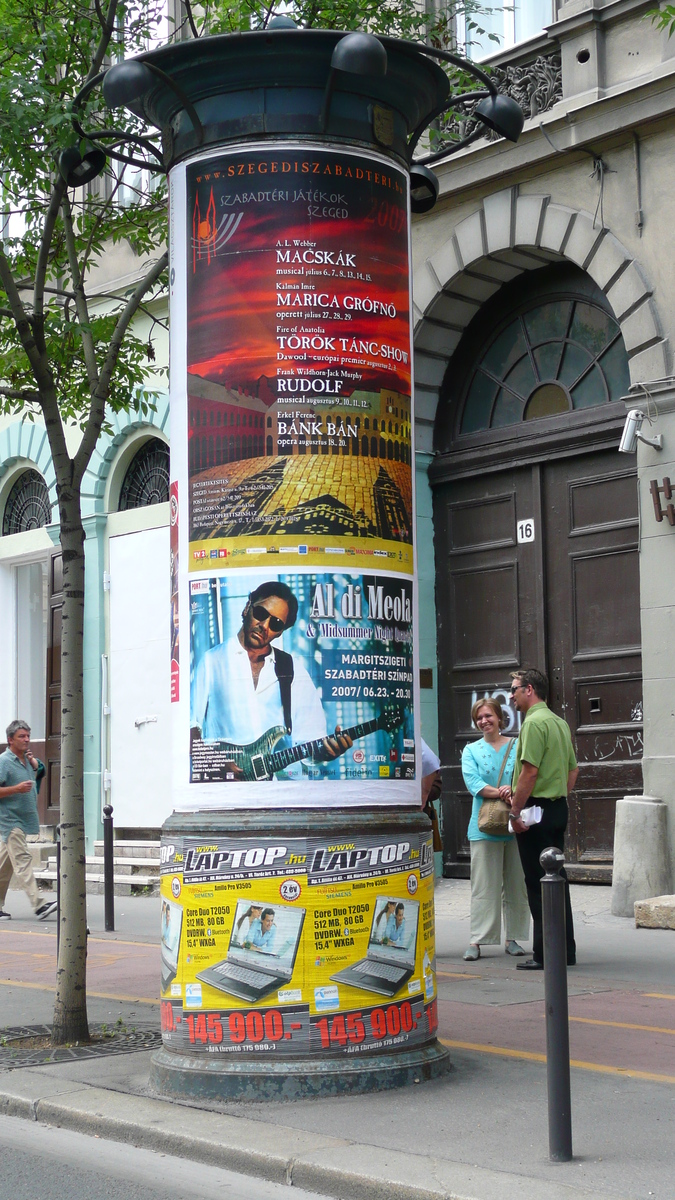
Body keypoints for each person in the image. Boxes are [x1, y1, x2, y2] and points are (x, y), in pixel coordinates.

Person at [191, 581, 352, 776]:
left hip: (282, 792)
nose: (264, 626)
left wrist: (325, 752)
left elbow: (308, 744)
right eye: (261, 613)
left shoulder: (293, 670)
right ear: (247, 607)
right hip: (229, 789)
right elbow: (191, 726)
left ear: (281, 632)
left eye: (275, 624)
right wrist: (217, 762)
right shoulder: (211, 661)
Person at [508, 668, 578, 971]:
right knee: (556, 881)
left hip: (534, 811)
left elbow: (529, 772)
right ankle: (566, 951)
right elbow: (573, 770)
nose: (510, 695)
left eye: (514, 689)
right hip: (555, 807)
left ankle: (545, 953)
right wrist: (557, 797)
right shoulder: (559, 722)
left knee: (538, 883)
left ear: (529, 690)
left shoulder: (534, 723)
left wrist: (514, 812)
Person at [460, 698, 530, 961]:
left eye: (488, 716)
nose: (484, 721)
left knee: (516, 882)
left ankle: (513, 937)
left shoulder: (516, 745)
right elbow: (473, 783)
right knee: (483, 886)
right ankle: (477, 940)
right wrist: (502, 792)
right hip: (484, 826)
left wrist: (514, 790)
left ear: (500, 717)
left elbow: (524, 775)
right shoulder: (471, 750)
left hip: (515, 822)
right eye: (479, 718)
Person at [0, 720, 57, 921]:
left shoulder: (26, 760)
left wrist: (34, 765)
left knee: (4, 866)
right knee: (23, 861)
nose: (26, 740)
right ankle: (39, 905)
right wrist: (16, 789)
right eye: (21, 737)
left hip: (22, 820)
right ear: (10, 740)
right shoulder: (4, 762)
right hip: (9, 821)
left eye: (28, 736)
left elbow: (42, 772)